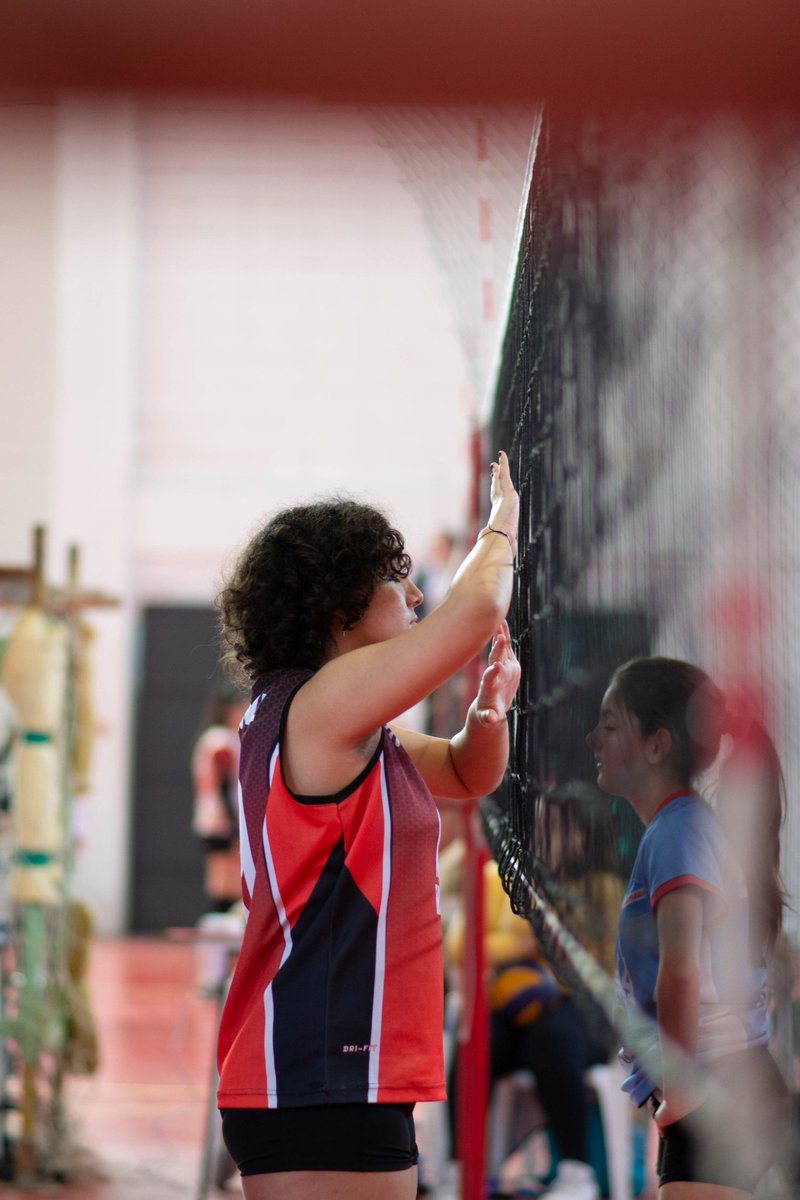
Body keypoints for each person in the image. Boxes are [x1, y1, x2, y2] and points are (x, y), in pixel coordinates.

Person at [213, 452, 521, 1200]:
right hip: (321, 1068)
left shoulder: (340, 725)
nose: (415, 591)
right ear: (339, 610)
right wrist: (504, 523)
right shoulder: (320, 709)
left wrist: (489, 709)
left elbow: (462, 772)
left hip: (338, 1068)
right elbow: (475, 611)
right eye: (395, 578)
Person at [586, 655, 792, 1198]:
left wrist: (679, 1090)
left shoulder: (678, 830)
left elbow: (679, 974)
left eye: (609, 725)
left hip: (716, 1082)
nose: (591, 738)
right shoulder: (673, 829)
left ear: (656, 746)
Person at [444, 843, 603, 1199]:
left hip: (575, 1013)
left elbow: (592, 958)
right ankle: (460, 1170)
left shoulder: (595, 884)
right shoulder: (495, 877)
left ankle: (577, 1172)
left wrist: (532, 953)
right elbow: (459, 945)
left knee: (551, 1035)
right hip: (509, 1008)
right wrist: (523, 947)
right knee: (476, 1039)